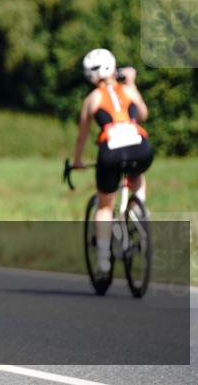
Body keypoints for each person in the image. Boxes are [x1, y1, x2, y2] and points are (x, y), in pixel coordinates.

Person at [72, 48, 152, 275]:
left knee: (105, 205)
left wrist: (77, 161)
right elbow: (143, 114)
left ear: (90, 76)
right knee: (137, 173)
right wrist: (133, 84)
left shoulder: (92, 98)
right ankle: (140, 210)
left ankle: (104, 258)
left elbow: (82, 136)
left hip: (111, 151)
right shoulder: (127, 89)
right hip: (141, 146)